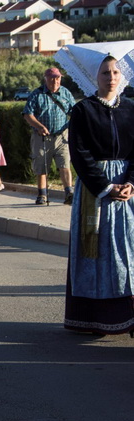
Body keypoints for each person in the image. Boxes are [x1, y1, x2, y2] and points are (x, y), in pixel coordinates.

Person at [65, 54, 134, 335]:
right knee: (98, 250)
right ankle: (95, 318)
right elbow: (79, 153)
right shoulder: (83, 110)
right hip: (97, 191)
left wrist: (130, 182)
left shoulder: (130, 108)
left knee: (129, 250)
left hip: (129, 191)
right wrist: (107, 186)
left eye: (116, 72)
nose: (111, 77)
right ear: (95, 76)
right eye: (106, 72)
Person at [23, 68, 75, 205]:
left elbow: (74, 111)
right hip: (42, 137)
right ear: (46, 78)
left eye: (58, 78)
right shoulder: (37, 94)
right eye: (52, 78)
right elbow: (28, 114)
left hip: (62, 136)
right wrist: (39, 126)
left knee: (64, 164)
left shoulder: (65, 93)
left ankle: (69, 193)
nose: (55, 81)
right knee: (41, 165)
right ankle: (42, 194)